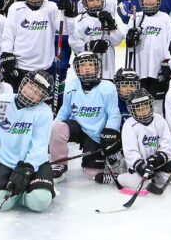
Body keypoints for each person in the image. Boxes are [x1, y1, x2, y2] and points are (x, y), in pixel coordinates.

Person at [0, 70, 57, 212]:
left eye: (38, 92)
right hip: (6, 160)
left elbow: (39, 145)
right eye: (31, 87)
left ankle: (26, 192)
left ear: (43, 98)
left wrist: (27, 168)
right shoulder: (1, 102)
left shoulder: (44, 112)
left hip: (34, 164)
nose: (32, 93)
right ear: (23, 83)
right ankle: (21, 190)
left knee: (40, 202)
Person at [50, 52, 122, 182]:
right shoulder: (72, 85)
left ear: (97, 67)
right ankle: (59, 164)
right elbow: (64, 112)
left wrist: (110, 133)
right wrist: (51, 133)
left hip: (96, 133)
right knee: (58, 128)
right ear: (77, 69)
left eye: (90, 65)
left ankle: (111, 156)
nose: (87, 68)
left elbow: (114, 114)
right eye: (82, 65)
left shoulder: (108, 87)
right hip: (77, 127)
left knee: (92, 173)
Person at [0, 0, 63, 89]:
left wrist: (68, 14)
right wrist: (6, 52)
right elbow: (8, 34)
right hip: (20, 65)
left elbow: (66, 29)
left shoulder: (52, 7)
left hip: (44, 66)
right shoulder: (15, 8)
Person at [119, 88, 171, 192]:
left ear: (151, 105)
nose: (143, 110)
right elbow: (130, 151)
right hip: (140, 165)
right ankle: (118, 177)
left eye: (145, 106)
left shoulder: (159, 119)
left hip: (156, 163)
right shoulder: (129, 124)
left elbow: (167, 144)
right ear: (132, 110)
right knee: (139, 183)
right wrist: (141, 166)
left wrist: (159, 157)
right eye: (138, 108)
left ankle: (153, 177)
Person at [126, 0, 171, 99]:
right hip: (139, 69)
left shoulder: (165, 18)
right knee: (139, 101)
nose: (149, 1)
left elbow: (170, 43)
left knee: (158, 104)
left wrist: (167, 65)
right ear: (141, 0)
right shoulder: (135, 18)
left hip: (158, 70)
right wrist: (130, 39)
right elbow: (129, 45)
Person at [68, 0, 126, 80]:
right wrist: (89, 46)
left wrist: (111, 26)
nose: (95, 3)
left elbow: (117, 41)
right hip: (86, 70)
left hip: (107, 70)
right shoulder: (79, 19)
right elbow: (73, 42)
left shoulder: (107, 17)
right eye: (91, 0)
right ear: (85, 2)